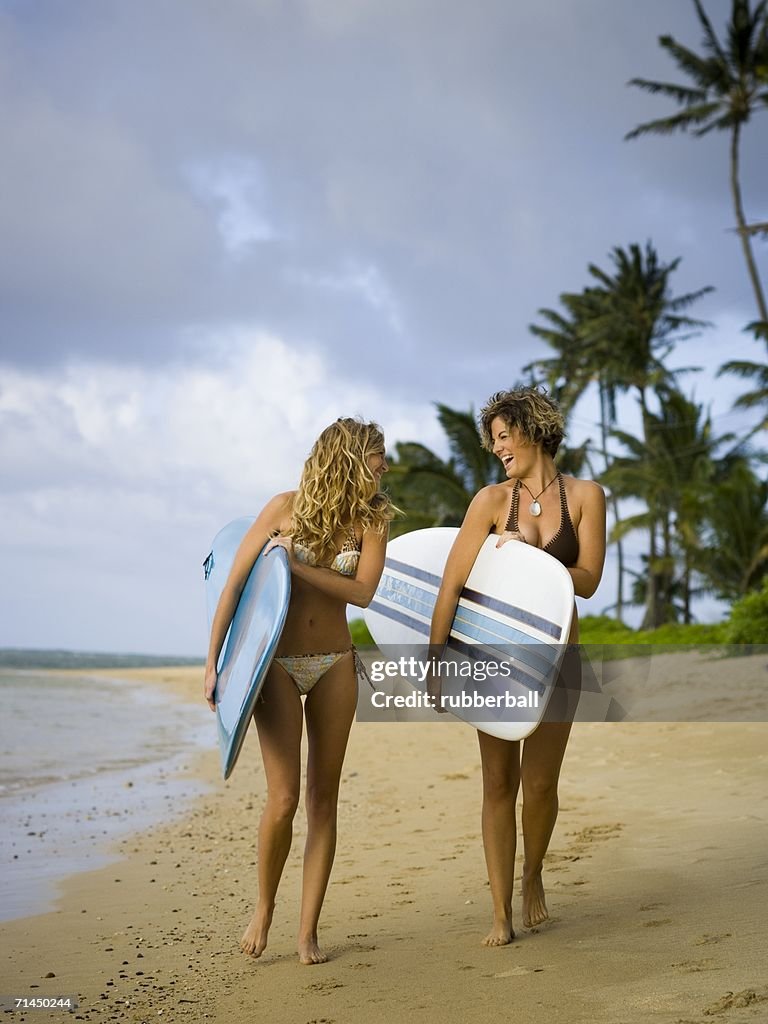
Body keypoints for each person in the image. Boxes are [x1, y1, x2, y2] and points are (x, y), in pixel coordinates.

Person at [204, 418, 394, 965]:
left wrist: (295, 565)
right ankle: (264, 906)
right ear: (351, 457)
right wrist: (213, 665)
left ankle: (307, 930)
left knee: (323, 801)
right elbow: (236, 584)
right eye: (379, 457)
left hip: (335, 662)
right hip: (279, 664)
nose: (385, 468)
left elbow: (362, 592)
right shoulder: (283, 508)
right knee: (284, 798)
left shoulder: (372, 520)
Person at [429, 386, 606, 946]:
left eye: (505, 435)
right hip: (493, 660)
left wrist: (529, 561)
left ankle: (533, 875)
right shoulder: (489, 502)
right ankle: (500, 911)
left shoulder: (585, 496)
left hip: (559, 660)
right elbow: (452, 584)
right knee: (499, 782)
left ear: (533, 428)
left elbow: (590, 579)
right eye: (494, 440)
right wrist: (435, 663)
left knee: (541, 784)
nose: (499, 447)